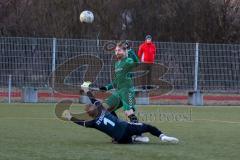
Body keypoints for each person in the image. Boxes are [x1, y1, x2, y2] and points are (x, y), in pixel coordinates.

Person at [62, 89, 179, 144]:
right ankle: (162, 136)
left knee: (123, 140)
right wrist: (87, 90)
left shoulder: (92, 122)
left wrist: (70, 117)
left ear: (89, 114)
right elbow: (93, 99)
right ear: (96, 108)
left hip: (121, 138)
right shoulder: (101, 108)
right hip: (126, 127)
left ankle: (133, 139)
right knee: (148, 127)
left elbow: (81, 122)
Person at [99, 41, 140, 123]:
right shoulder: (117, 64)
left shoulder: (128, 60)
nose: (117, 52)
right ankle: (118, 126)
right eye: (116, 51)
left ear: (125, 51)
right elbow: (116, 81)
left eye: (119, 50)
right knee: (105, 107)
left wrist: (130, 50)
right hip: (119, 92)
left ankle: (138, 133)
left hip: (127, 91)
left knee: (128, 112)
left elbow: (136, 63)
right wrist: (106, 87)